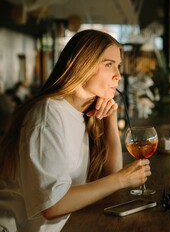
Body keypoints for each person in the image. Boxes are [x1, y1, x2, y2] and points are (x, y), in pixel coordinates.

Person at [0, 29, 151, 232]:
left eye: (118, 66)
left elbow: (112, 174)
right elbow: (52, 205)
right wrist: (123, 179)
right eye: (108, 64)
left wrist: (110, 119)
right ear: (82, 65)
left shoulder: (80, 113)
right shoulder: (48, 114)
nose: (118, 75)